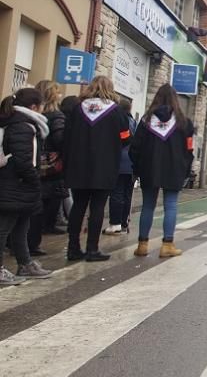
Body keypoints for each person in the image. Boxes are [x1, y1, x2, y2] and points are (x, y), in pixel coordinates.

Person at [63, 76, 130, 262]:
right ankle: (92, 249)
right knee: (98, 207)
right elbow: (125, 137)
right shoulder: (116, 111)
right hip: (104, 165)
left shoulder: (77, 109)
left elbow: (67, 137)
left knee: (78, 206)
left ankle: (73, 248)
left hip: (78, 165)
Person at [130, 84, 195, 258]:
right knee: (171, 205)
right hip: (174, 169)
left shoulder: (146, 121)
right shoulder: (184, 123)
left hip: (149, 168)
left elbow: (135, 148)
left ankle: (142, 244)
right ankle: (167, 244)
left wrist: (137, 167)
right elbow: (189, 150)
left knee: (148, 206)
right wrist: (186, 170)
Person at [0, 87, 53, 284]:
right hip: (15, 183)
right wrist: (34, 179)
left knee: (21, 225)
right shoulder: (23, 126)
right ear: (34, 107)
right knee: (4, 227)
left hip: (17, 183)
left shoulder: (20, 122)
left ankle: (25, 263)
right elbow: (23, 160)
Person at [28, 80, 68, 253]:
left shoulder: (32, 115)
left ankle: (25, 241)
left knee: (32, 204)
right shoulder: (57, 116)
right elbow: (60, 139)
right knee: (44, 203)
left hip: (34, 162)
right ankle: (33, 242)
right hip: (50, 165)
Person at [105, 97, 137, 236]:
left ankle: (115, 223)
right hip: (131, 163)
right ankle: (124, 222)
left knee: (117, 193)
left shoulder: (117, 120)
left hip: (118, 161)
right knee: (127, 194)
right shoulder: (134, 122)